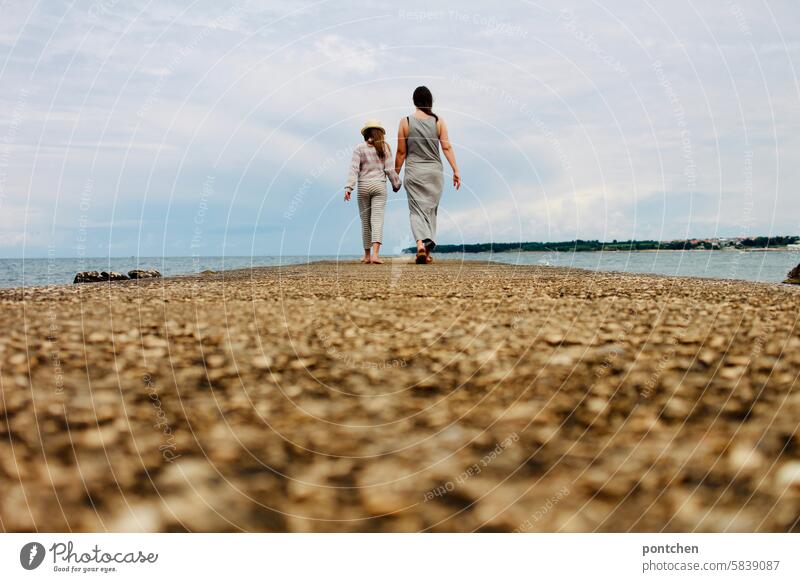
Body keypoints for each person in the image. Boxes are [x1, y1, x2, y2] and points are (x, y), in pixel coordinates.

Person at [394, 86, 461, 264]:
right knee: (431, 210)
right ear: (430, 101)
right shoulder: (438, 121)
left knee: (416, 211)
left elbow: (401, 153)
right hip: (434, 173)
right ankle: (427, 251)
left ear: (414, 101)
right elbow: (446, 147)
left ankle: (420, 245)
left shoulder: (405, 122)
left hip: (414, 172)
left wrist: (395, 176)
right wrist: (455, 170)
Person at [344, 119, 401, 264]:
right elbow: (389, 169)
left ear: (366, 133)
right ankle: (376, 255)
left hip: (363, 186)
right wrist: (396, 184)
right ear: (380, 133)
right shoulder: (384, 147)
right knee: (377, 221)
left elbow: (353, 169)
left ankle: (367, 255)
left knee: (365, 222)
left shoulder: (359, 148)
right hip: (379, 186)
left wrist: (349, 188)